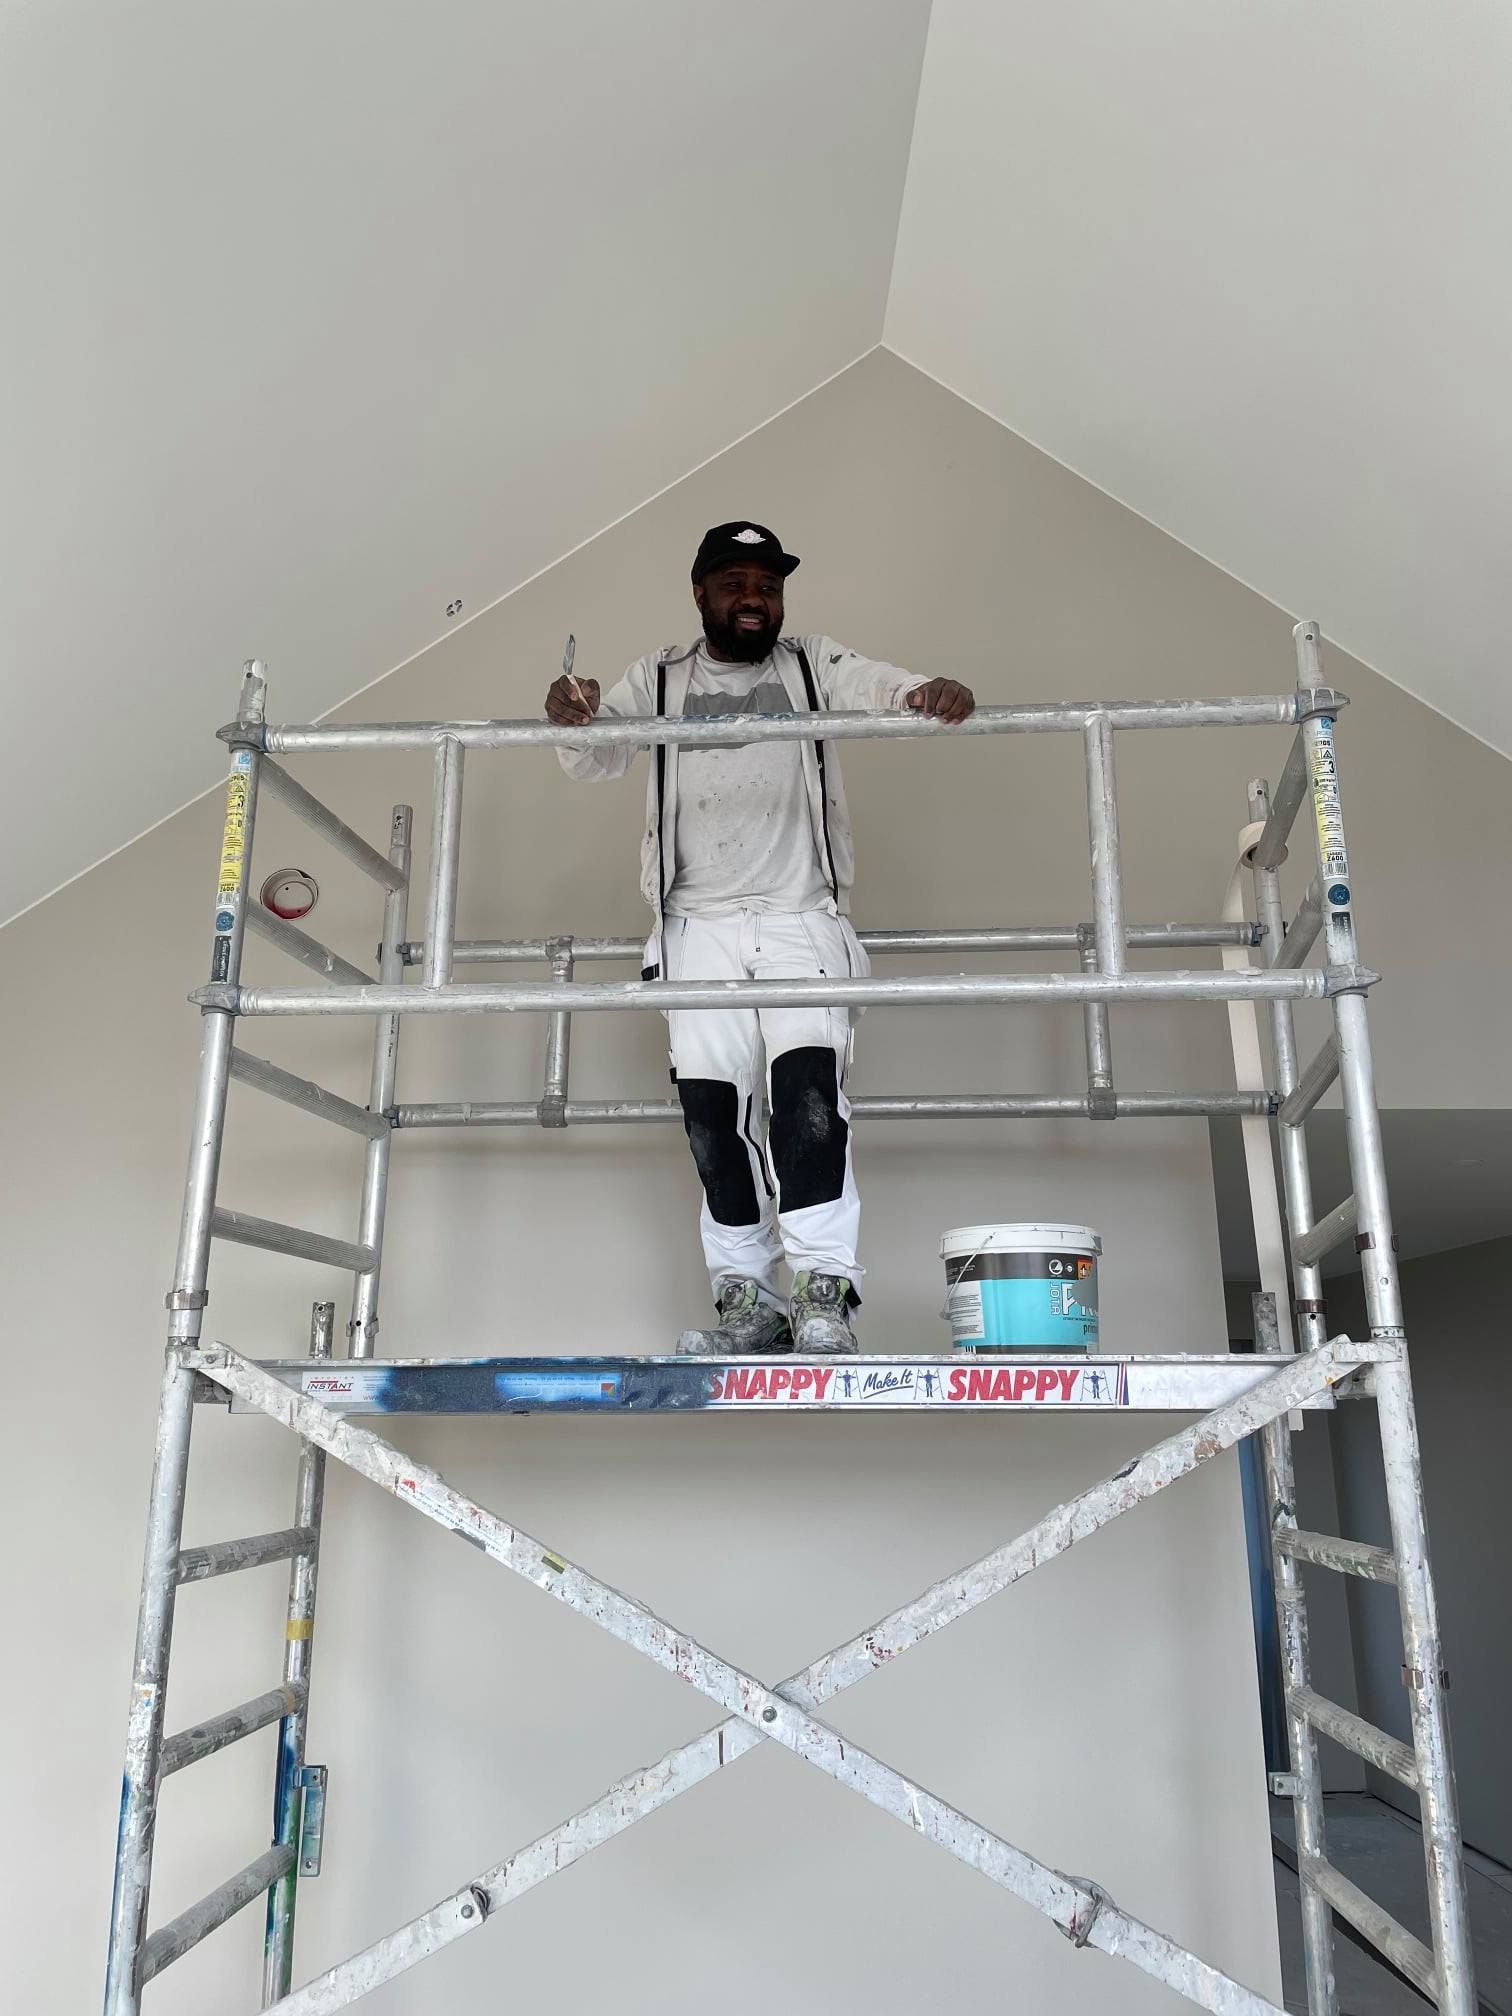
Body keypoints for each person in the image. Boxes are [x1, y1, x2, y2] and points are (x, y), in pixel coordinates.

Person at [545, 521, 975, 1355]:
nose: (754, 600)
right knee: (713, 1116)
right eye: (736, 584)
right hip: (694, 930)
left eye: (768, 587)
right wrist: (573, 715)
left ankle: (822, 1297)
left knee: (809, 1103)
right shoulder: (660, 676)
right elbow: (592, 756)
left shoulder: (812, 664)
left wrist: (927, 691)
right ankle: (749, 1305)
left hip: (797, 919)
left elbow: (883, 687)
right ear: (700, 593)